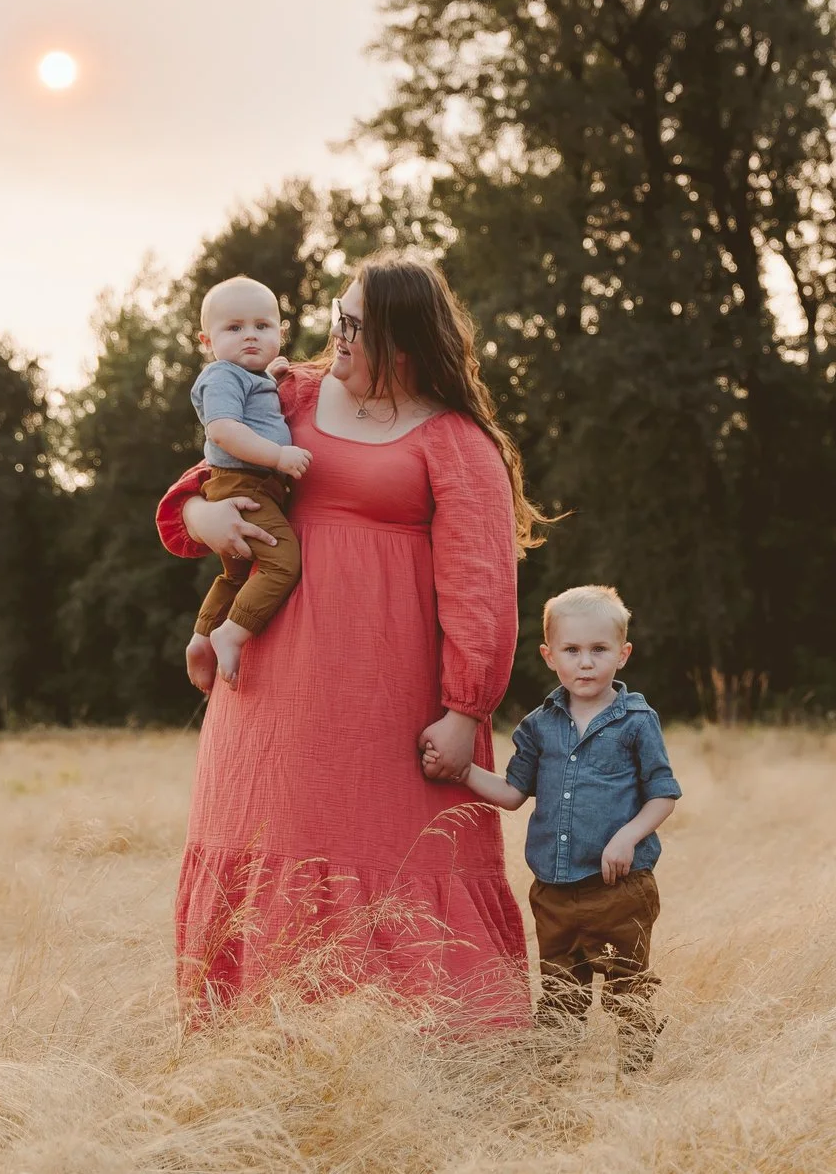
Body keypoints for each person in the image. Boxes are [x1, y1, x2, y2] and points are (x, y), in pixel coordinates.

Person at [158, 254, 554, 1023]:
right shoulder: (291, 392)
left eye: (353, 326)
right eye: (336, 316)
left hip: (389, 702)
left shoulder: (456, 442)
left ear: (402, 343)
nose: (333, 335)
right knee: (269, 835)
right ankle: (257, 1044)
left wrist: (465, 707)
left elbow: (482, 589)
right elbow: (215, 466)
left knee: (389, 850)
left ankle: (422, 1054)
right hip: (270, 689)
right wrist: (203, 518)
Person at [432, 585, 679, 1071]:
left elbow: (663, 794)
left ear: (622, 655)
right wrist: (460, 769)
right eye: (572, 650)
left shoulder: (636, 721)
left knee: (627, 991)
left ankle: (635, 1079)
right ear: (549, 656)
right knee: (560, 996)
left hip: (618, 889)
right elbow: (512, 794)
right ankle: (553, 1086)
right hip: (553, 894)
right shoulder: (537, 727)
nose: (585, 663)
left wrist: (628, 836)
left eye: (598, 650)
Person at [187, 276, 312, 686]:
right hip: (243, 485)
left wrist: (271, 378)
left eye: (263, 326)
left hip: (250, 485)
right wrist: (278, 455)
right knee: (282, 563)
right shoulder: (222, 375)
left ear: (281, 332)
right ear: (207, 341)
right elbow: (223, 429)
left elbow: (257, 408)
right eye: (234, 328)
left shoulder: (253, 377)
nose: (251, 337)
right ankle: (232, 632)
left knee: (236, 575)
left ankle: (203, 636)